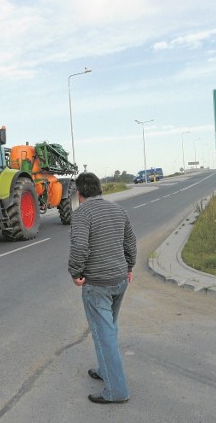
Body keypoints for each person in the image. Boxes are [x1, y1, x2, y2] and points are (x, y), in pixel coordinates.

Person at [68, 172, 137, 404]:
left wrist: (76, 272)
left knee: (104, 333)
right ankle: (105, 369)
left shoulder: (82, 214)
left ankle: (117, 391)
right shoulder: (118, 210)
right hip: (119, 280)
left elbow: (79, 247)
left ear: (79, 193)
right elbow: (130, 242)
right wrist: (129, 266)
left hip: (97, 284)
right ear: (100, 189)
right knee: (109, 328)